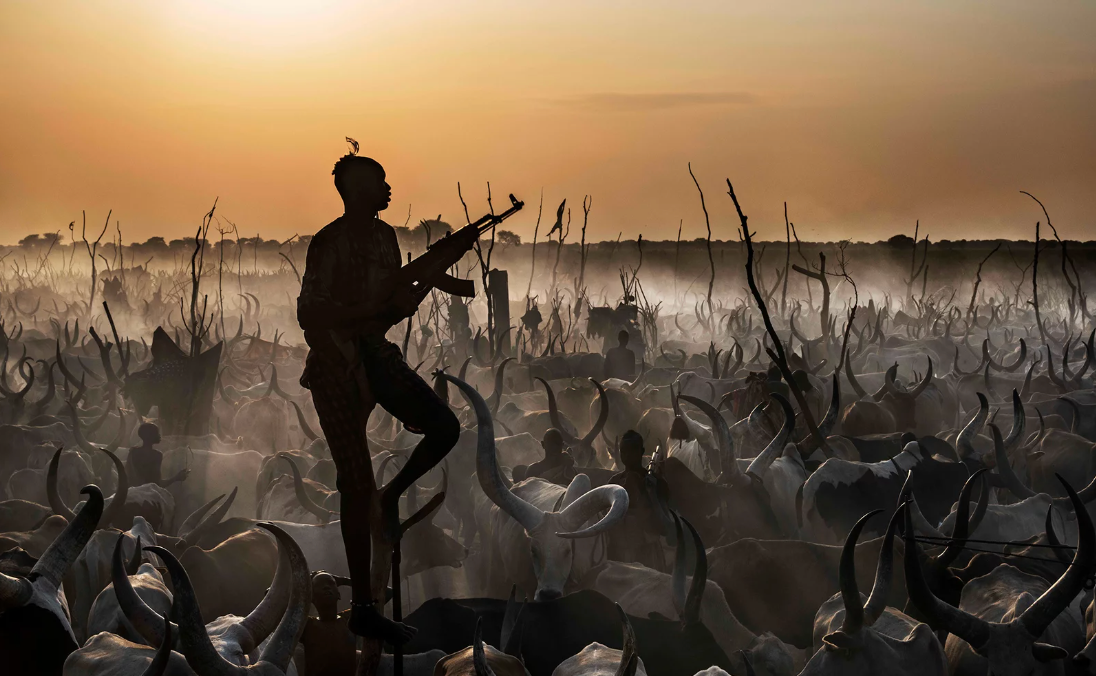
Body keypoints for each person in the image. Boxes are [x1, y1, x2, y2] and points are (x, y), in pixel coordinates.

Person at [297, 151, 460, 645]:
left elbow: (382, 318)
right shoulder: (329, 243)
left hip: (374, 354)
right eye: (379, 182)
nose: (389, 189)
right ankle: (364, 607)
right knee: (354, 484)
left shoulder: (387, 239)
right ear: (353, 190)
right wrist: (371, 308)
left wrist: (403, 302)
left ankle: (392, 495)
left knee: (446, 427)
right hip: (333, 369)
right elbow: (310, 314)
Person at [607, 430, 669, 571]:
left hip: (647, 555)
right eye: (623, 451)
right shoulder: (614, 482)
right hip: (618, 555)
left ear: (641, 451)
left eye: (632, 451)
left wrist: (651, 493)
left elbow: (665, 526)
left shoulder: (656, 482)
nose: (627, 455)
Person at [297, 573, 357, 676]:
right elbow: (275, 604)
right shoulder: (306, 626)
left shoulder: (350, 619)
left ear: (338, 594)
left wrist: (344, 580)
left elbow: (384, 595)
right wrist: (303, 585)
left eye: (331, 583)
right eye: (319, 585)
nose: (326, 587)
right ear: (311, 598)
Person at [125, 422, 189, 488]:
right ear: (150, 436)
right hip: (146, 493)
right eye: (156, 433)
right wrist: (176, 478)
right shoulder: (156, 455)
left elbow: (128, 478)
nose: (159, 435)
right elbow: (157, 484)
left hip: (130, 491)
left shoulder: (133, 452)